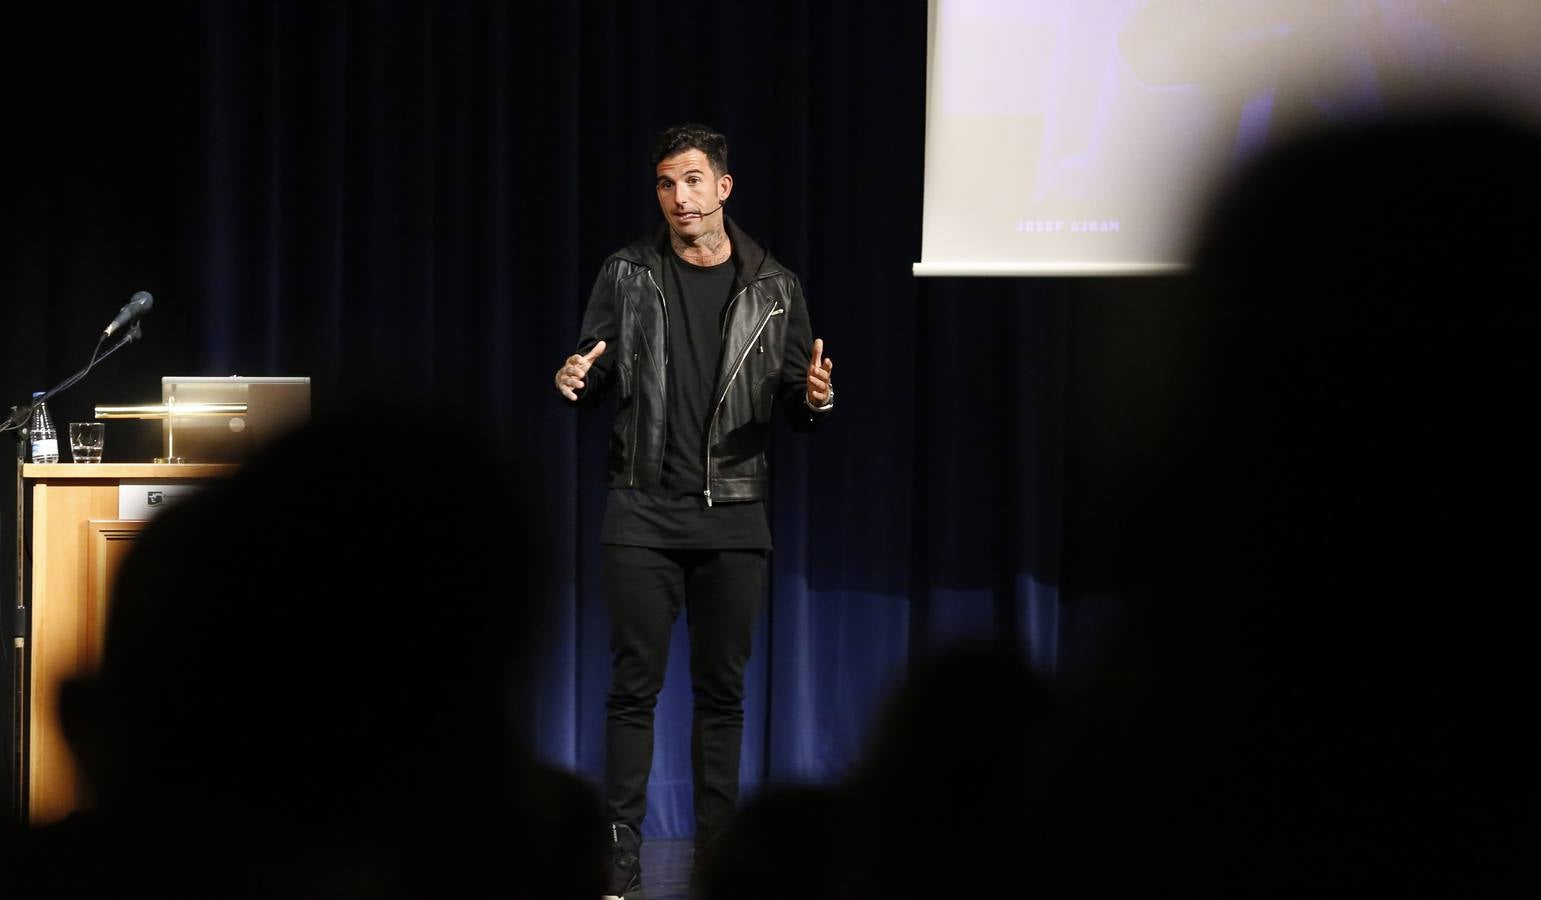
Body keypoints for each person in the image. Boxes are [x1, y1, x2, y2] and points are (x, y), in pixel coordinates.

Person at [554, 122, 835, 899]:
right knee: (631, 688)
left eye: (691, 181)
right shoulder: (627, 272)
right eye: (664, 184)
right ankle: (619, 849)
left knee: (722, 694)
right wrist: (577, 377)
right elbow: (596, 373)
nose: (678, 197)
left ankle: (718, 854)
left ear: (723, 188)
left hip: (734, 514)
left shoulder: (774, 287)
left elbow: (796, 402)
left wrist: (816, 400)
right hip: (640, 508)